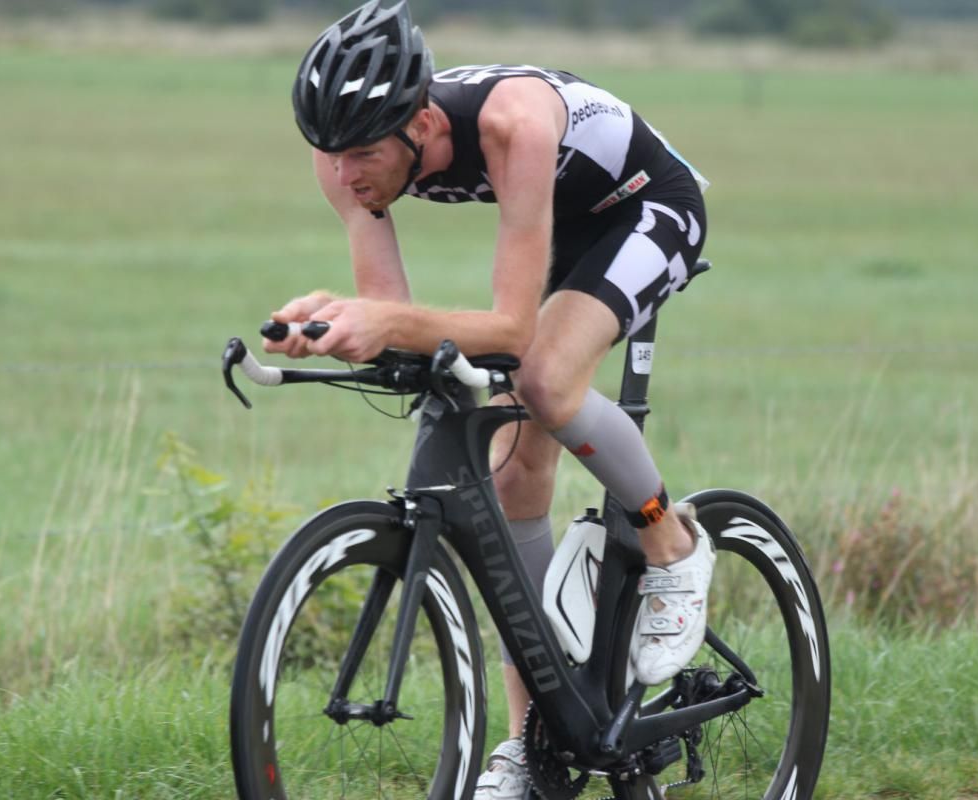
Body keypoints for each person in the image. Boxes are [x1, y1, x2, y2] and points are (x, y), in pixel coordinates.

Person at [268, 2, 716, 797]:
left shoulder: (513, 123)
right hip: (554, 224)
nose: (346, 175)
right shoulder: (341, 158)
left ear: (423, 122)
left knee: (543, 381)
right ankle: (535, 738)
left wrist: (382, 319)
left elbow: (509, 326)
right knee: (511, 480)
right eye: (331, 154)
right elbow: (390, 317)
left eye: (364, 152)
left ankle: (668, 543)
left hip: (648, 209)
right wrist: (334, 325)